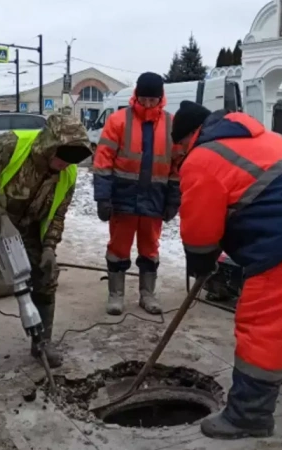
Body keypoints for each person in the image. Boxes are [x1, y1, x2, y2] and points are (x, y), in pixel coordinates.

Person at [170, 101, 282, 439]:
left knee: (261, 324)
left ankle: (249, 415)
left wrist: (201, 261)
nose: (179, 153)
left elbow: (200, 228)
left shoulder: (203, 157)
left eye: (178, 146)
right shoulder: (263, 136)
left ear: (190, 136)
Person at [0, 114, 92, 384]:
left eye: (71, 160)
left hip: (32, 229)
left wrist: (49, 247)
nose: (64, 165)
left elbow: (57, 215)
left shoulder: (67, 173)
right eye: (62, 157)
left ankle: (42, 343)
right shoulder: (12, 146)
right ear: (49, 146)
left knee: (46, 279)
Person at [92, 72, 181, 316]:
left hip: (155, 198)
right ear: (136, 96)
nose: (148, 104)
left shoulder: (171, 124)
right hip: (123, 198)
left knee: (150, 248)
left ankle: (147, 294)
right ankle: (116, 295)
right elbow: (103, 161)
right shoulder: (118, 121)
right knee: (118, 247)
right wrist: (103, 196)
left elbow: (177, 166)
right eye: (144, 99)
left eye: (153, 100)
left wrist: (174, 199)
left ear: (160, 98)